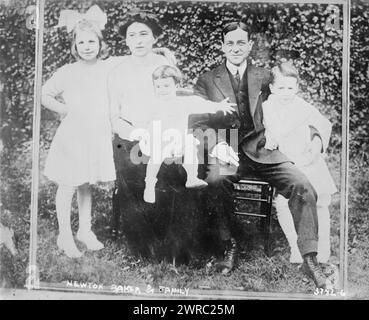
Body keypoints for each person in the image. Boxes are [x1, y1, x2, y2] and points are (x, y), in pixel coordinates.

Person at [193, 21, 331, 289]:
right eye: (230, 43)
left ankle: (310, 258)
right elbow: (196, 125)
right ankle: (230, 245)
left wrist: (315, 137)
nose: (235, 48)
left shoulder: (266, 76)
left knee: (301, 185)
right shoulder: (208, 80)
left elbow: (299, 107)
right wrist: (216, 146)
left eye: (241, 42)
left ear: (250, 46)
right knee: (216, 180)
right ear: (222, 46)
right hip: (227, 149)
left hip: (263, 149)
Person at [107, 11, 204, 260]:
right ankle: (143, 247)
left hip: (165, 133)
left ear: (154, 38)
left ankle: (176, 246)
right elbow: (115, 117)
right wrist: (139, 135)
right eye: (132, 35)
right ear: (126, 41)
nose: (138, 40)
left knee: (178, 170)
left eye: (144, 34)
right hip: (131, 135)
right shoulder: (117, 72)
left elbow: (176, 103)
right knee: (133, 169)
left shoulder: (165, 67)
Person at [42, 6, 120, 258]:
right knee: (68, 183)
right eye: (82, 42)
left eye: (92, 41)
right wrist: (64, 109)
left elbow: (133, 64)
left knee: (86, 182)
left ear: (100, 43)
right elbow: (45, 94)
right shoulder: (68, 72)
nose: (87, 46)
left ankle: (84, 230)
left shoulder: (108, 69)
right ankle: (64, 234)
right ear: (75, 46)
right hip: (73, 136)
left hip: (96, 135)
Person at [262, 61, 337, 264]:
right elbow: (266, 131)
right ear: (272, 88)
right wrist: (270, 140)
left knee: (321, 201)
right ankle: (295, 247)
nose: (286, 93)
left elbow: (322, 124)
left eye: (290, 88)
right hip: (287, 160)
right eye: (281, 88)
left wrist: (317, 140)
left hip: (308, 158)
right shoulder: (267, 108)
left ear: (297, 88)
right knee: (283, 202)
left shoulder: (303, 107)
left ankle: (322, 249)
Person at [137, 65, 236, 203]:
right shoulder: (153, 104)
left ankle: (192, 177)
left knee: (191, 144)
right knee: (157, 155)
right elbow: (143, 121)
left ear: (177, 85)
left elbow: (203, 105)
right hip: (158, 140)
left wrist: (219, 106)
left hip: (178, 141)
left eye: (166, 86)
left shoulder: (183, 103)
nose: (162, 90)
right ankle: (149, 185)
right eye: (158, 87)